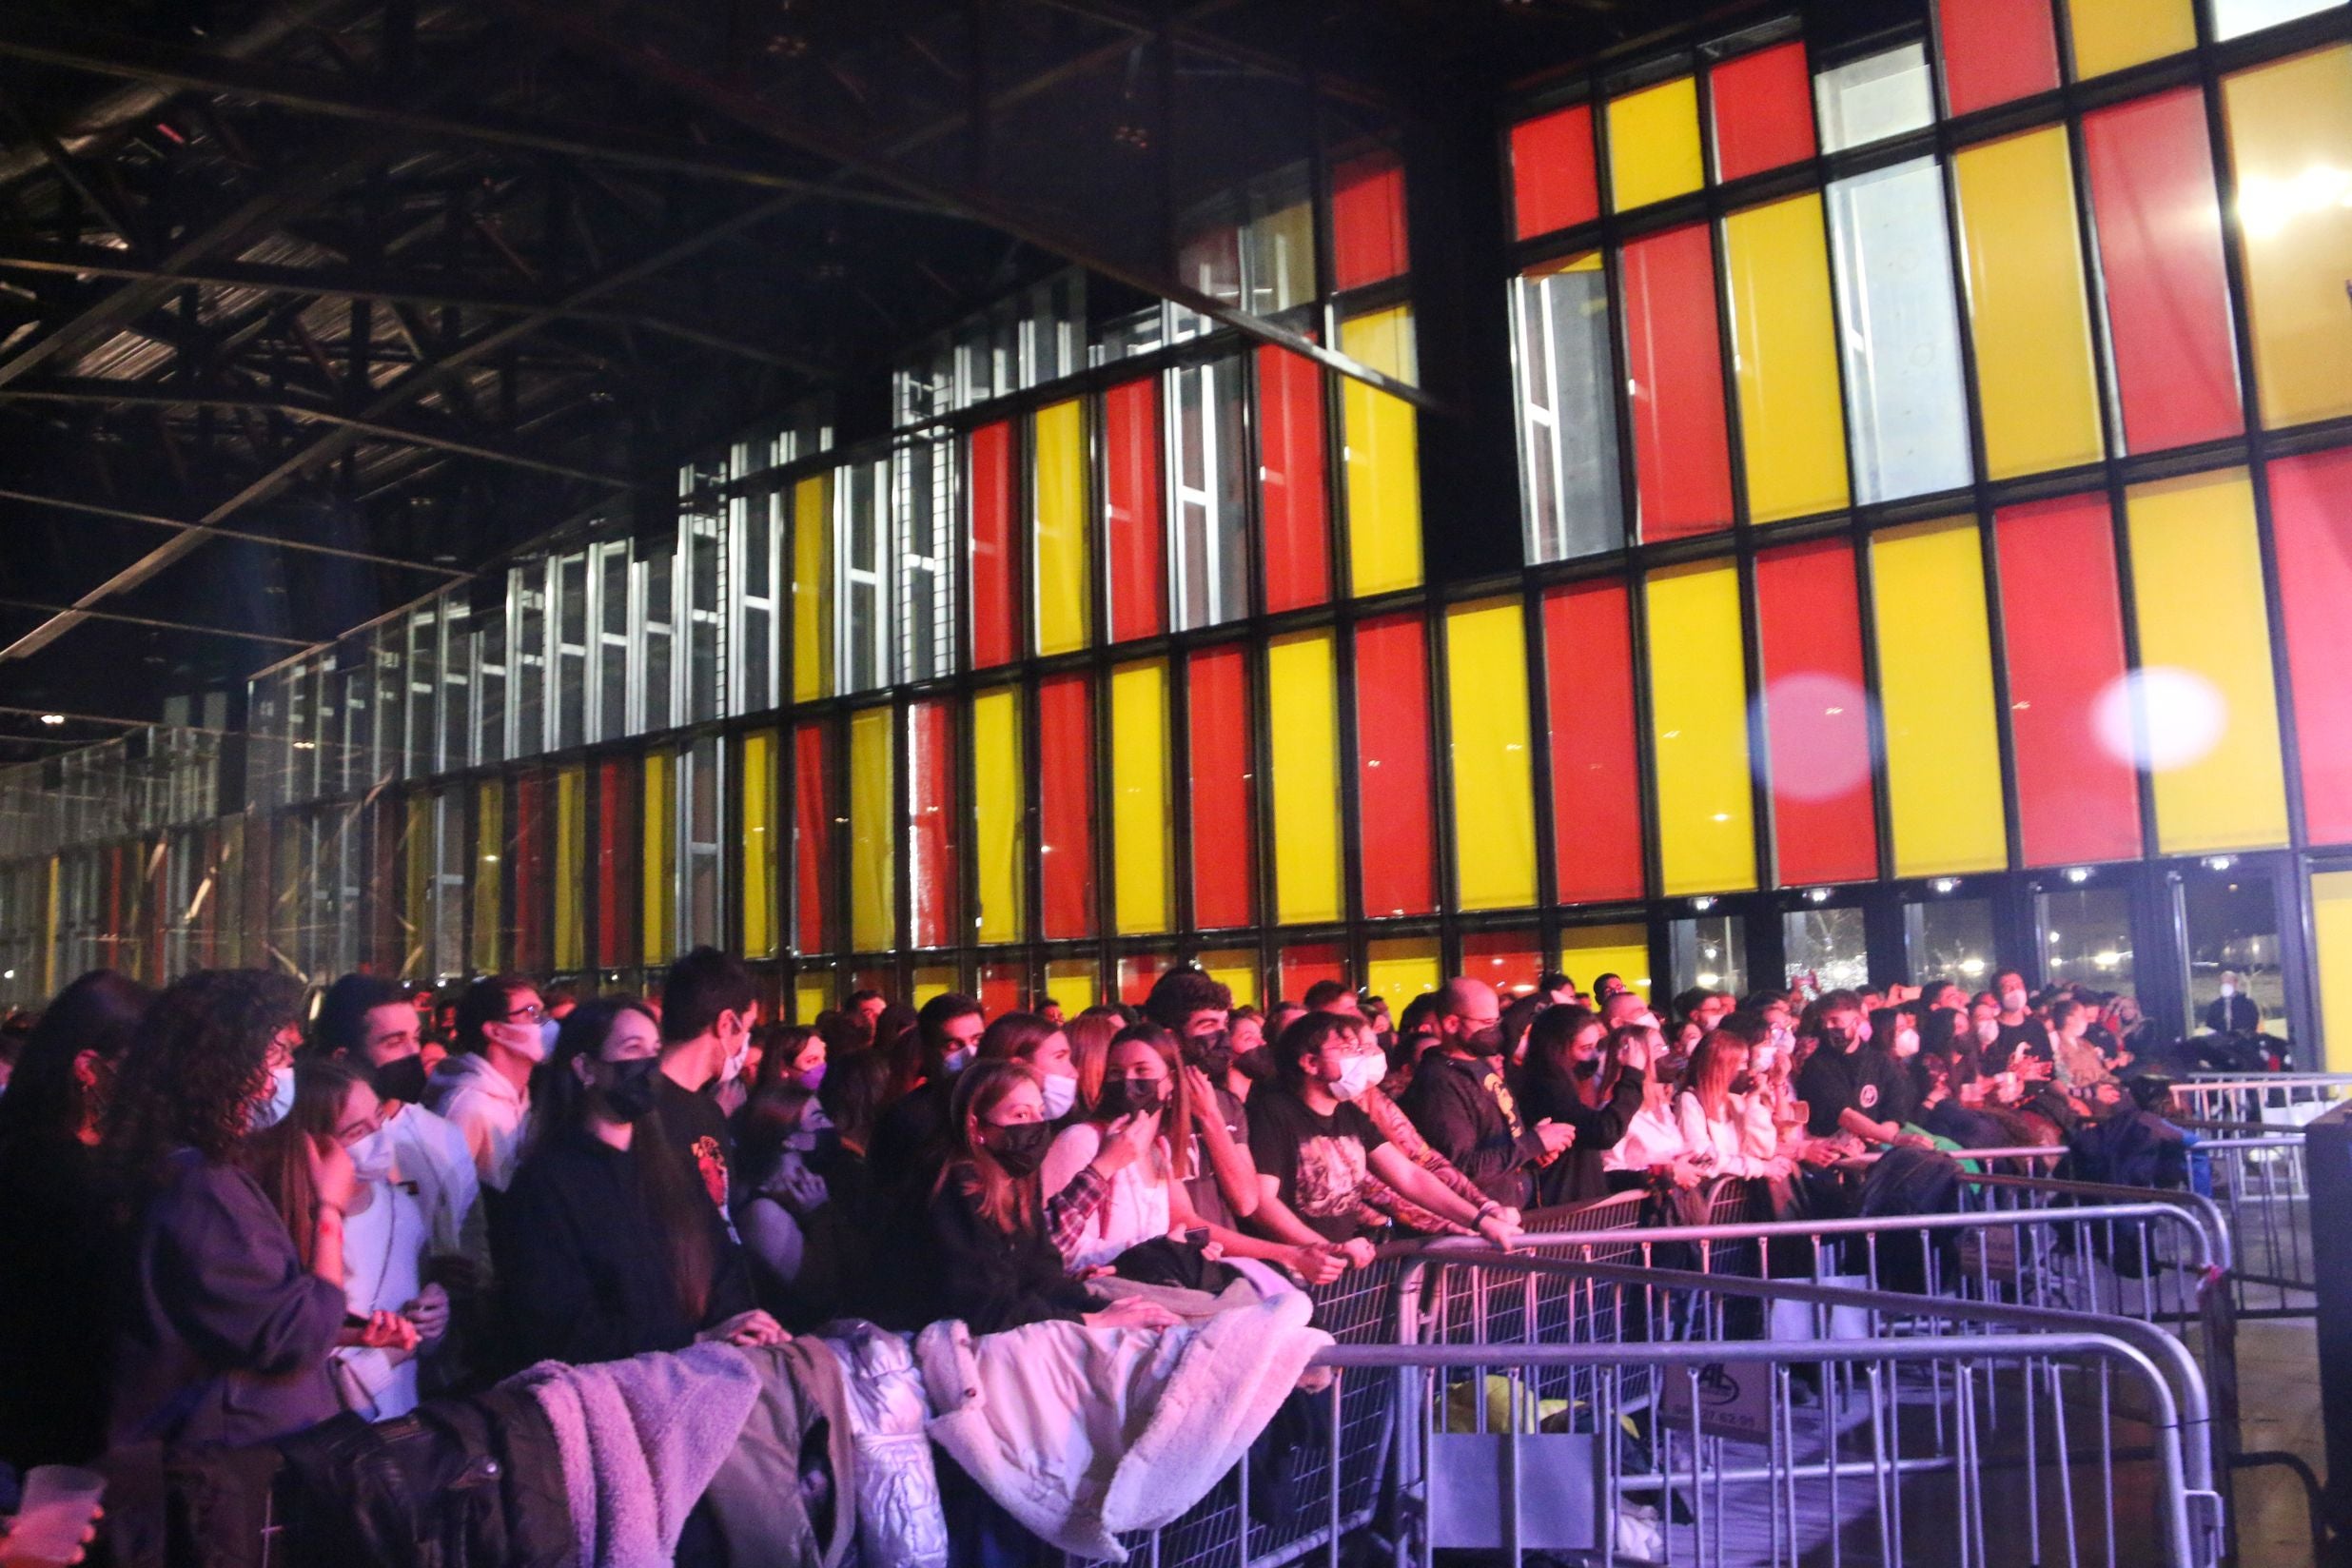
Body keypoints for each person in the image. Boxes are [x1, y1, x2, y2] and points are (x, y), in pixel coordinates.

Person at [104, 970, 413, 1449]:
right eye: (278, 1053)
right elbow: (291, 1338)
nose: (286, 1071)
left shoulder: (186, 1169)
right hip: (230, 1460)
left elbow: (237, 1318)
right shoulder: (201, 1186)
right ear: (222, 1062)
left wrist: (349, 1332)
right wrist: (328, 1207)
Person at [495, 998, 783, 1367]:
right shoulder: (546, 1185)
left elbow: (721, 1261)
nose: (648, 1065)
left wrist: (742, 1325)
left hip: (706, 1372)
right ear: (585, 1067)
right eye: (633, 1049)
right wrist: (691, 1341)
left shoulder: (673, 1163)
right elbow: (561, 1328)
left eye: (655, 1051)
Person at [894, 1059, 1176, 1335]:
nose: (1037, 1125)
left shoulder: (1018, 1180)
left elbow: (1043, 1277)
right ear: (975, 1126)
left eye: (1040, 1113)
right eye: (1020, 1115)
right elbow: (986, 1310)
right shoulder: (954, 1187)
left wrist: (1104, 1309)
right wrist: (1090, 1321)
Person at [0, 970, 151, 1469]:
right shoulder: (42, 1166)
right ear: (88, 1067)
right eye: (139, 1064)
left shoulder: (100, 1152)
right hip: (57, 1418)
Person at [1041, 1023, 1330, 1282]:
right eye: (1116, 1073)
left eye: (1142, 1071)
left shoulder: (1160, 1148)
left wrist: (1194, 1250)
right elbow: (1059, 1247)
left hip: (1154, 1298)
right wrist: (1164, 1257)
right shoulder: (1082, 1141)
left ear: (1170, 1083)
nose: (1128, 1081)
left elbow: (1186, 1222)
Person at [248, 1059, 445, 1421]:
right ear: (310, 1146)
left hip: (402, 1421)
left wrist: (433, 1315)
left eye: (379, 1117)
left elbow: (413, 1305)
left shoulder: (403, 1206)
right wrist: (385, 1358)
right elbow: (301, 1354)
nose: (380, 1136)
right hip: (332, 1439)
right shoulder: (284, 1233)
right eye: (357, 1131)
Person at [1243, 1012, 1519, 1264]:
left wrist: (1480, 1219)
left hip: (1337, 1262)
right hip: (1295, 1266)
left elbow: (1409, 1176)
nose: (1358, 1058)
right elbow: (1263, 1202)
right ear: (1310, 1063)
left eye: (1358, 1049)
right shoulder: (1274, 1113)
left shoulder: (1349, 1112)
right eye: (1346, 1050)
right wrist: (1320, 1249)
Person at [314, 973, 477, 1257]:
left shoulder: (442, 1135)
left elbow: (470, 1240)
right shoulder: (309, 1143)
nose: (413, 1052)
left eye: (416, 1038)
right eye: (393, 1042)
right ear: (342, 1058)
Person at [1399, 978, 1573, 1208]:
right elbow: (1460, 1168)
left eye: (1496, 1020)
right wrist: (1532, 1143)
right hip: (1479, 1224)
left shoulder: (1478, 1063)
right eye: (1486, 1022)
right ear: (1452, 1023)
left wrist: (1531, 1155)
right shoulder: (1438, 1084)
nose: (1495, 1030)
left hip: (1509, 1208)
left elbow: (1494, 1142)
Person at [732, 1080, 854, 1329]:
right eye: (818, 1119)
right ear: (788, 1139)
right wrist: (819, 1215)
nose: (829, 1127)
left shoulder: (807, 1184)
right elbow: (820, 1293)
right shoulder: (761, 1211)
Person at [656, 947, 761, 1219]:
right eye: (747, 1028)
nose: (745, 1043)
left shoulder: (708, 1110)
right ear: (726, 1023)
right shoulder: (641, 1110)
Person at [424, 974, 548, 1200]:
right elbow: (441, 1205)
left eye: (542, 1013)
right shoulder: (467, 1106)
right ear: (495, 1030)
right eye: (531, 1012)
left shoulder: (525, 1098)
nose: (544, 1024)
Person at [1518, 1004, 1649, 1205]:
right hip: (1560, 1208)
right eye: (1586, 1048)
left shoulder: (1566, 1083)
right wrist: (1632, 1076)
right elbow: (1605, 1131)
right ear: (1557, 1049)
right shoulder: (1546, 1087)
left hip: (1576, 1198)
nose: (1594, 1056)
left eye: (1596, 1047)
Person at [1794, 990, 1929, 1153]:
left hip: (1877, 1142)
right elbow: (1842, 1113)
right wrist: (1890, 1138)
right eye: (1825, 1022)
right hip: (1831, 1147)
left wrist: (1883, 1133)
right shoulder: (1816, 1063)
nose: (1829, 1027)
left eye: (1835, 1021)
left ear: (1857, 1022)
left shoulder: (1880, 1062)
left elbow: (1894, 1109)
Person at [1675, 1029, 1788, 1180]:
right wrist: (1758, 1168)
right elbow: (1703, 1156)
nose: (1746, 1069)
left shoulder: (1734, 1100)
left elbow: (1764, 1150)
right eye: (1741, 1063)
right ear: (1721, 1066)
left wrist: (1753, 1101)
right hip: (1712, 1196)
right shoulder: (1689, 1100)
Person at [2203, 970, 2264, 1035]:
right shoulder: (2215, 1006)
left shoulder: (2247, 1004)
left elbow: (2253, 1026)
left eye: (2229, 982)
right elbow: (2210, 1030)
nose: (2226, 985)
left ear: (2236, 983)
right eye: (2223, 983)